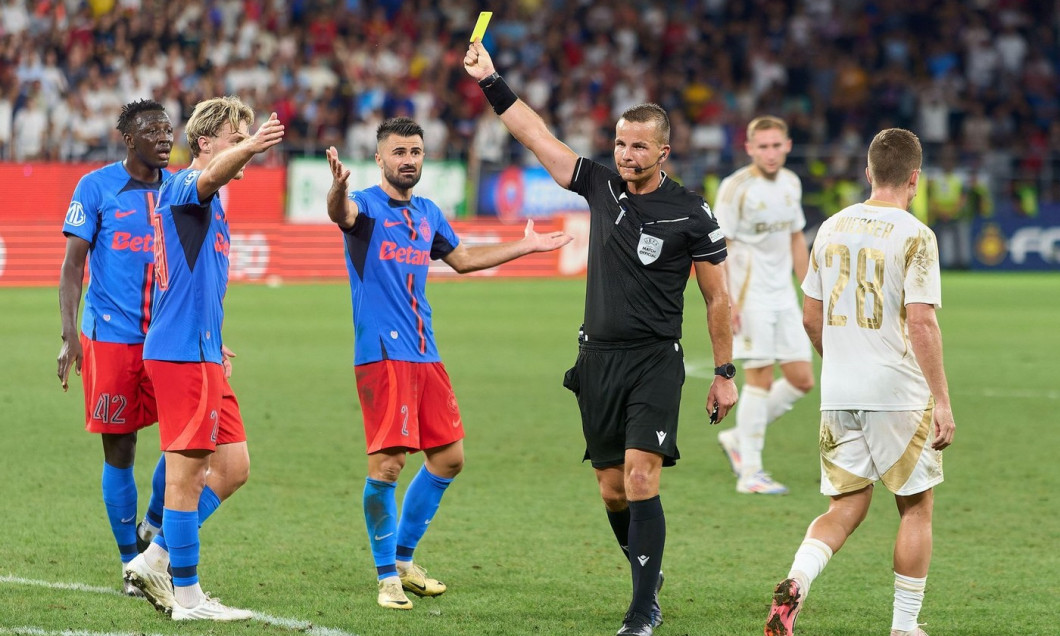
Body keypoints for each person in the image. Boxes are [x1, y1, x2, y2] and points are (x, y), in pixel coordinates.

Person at [463, 42, 739, 636]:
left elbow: (717, 297)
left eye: (639, 145)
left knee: (642, 475)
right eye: (619, 142)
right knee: (613, 492)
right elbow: (536, 135)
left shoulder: (692, 212)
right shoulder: (600, 187)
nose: (626, 153)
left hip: (653, 361)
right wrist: (490, 80)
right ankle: (648, 572)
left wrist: (724, 372)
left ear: (664, 151)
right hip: (597, 360)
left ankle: (642, 609)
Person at [325, 117, 572, 611]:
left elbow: (460, 259)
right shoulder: (367, 208)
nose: (409, 160)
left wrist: (524, 246)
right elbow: (342, 213)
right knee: (389, 464)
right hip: (384, 355)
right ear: (379, 158)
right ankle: (384, 578)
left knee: (449, 458)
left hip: (425, 352)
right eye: (399, 152)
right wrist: (336, 190)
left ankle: (402, 559)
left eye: (416, 151)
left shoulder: (428, 213)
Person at [764, 128, 956, 636]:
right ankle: (903, 626)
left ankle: (796, 584)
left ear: (868, 172)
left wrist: (843, 361)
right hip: (897, 394)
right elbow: (921, 322)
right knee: (916, 508)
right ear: (915, 179)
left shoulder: (828, 228)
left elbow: (811, 319)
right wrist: (942, 400)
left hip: (838, 393)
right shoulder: (916, 235)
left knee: (845, 504)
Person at [123, 96, 285, 621]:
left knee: (233, 466)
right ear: (207, 143)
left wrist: (215, 338)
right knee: (186, 479)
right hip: (181, 356)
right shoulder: (183, 189)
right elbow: (209, 178)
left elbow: (190, 285)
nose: (244, 152)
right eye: (235, 140)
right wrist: (252, 147)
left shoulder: (211, 208)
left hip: (202, 349)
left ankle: (157, 555)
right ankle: (188, 598)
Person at [57, 98, 173, 596]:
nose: (166, 137)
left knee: (190, 441)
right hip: (112, 338)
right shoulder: (96, 187)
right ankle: (132, 563)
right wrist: (68, 336)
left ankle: (149, 522)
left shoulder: (184, 188)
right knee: (120, 447)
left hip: (171, 337)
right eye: (153, 130)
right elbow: (71, 266)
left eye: (169, 129)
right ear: (129, 138)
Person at [713, 116, 814, 495]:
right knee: (760, 379)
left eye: (777, 146)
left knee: (802, 379)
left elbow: (795, 239)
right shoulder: (735, 188)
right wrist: (724, 301)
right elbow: (717, 249)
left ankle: (739, 437)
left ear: (788, 145)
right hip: (748, 294)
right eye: (763, 147)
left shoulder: (792, 182)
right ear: (750, 148)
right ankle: (751, 473)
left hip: (783, 294)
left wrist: (809, 291)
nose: (771, 153)